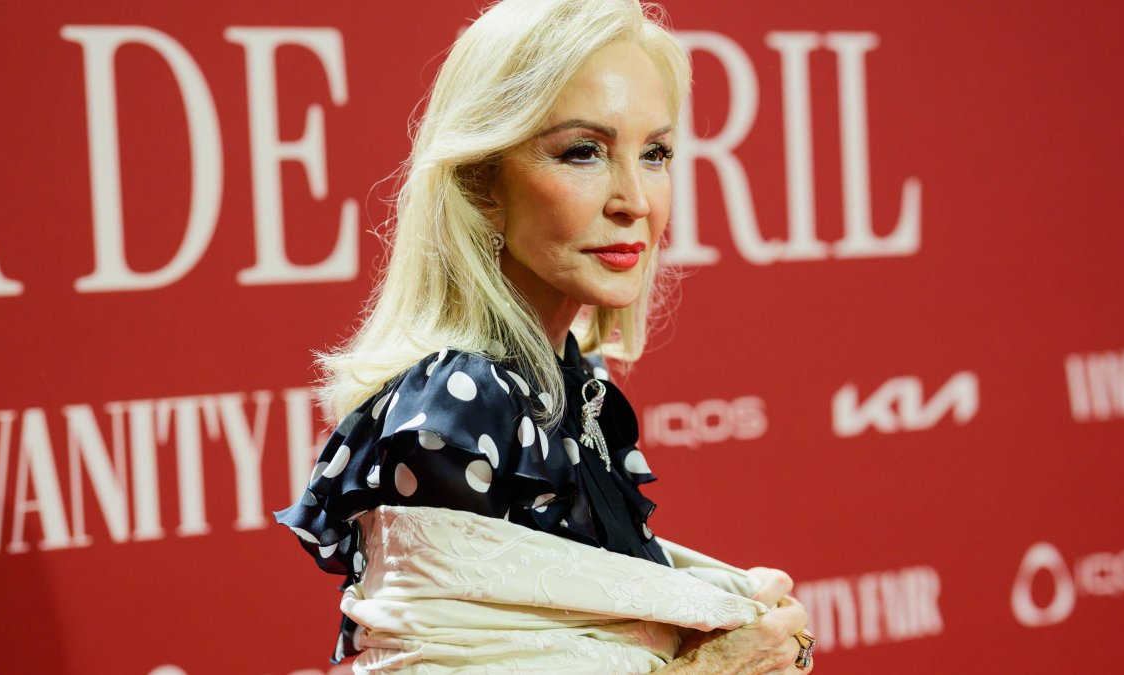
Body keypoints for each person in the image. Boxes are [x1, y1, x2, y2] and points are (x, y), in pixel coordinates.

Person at [276, 0, 815, 672]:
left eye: (655, 153)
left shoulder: (570, 379)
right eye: (583, 151)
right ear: (481, 183)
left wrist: (727, 610)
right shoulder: (459, 403)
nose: (635, 200)